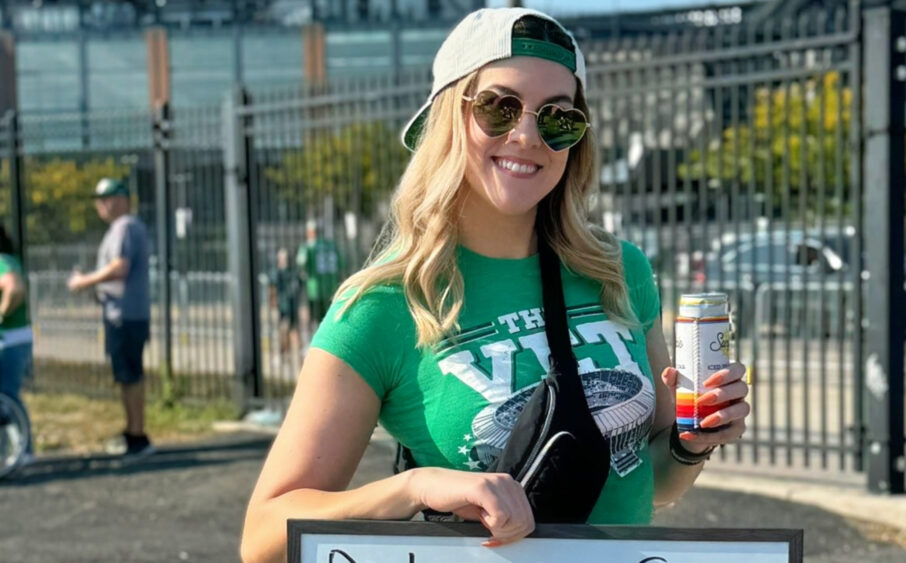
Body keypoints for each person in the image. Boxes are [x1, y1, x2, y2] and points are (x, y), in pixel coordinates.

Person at [241, 8, 750, 563]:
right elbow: (264, 537)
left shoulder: (618, 270)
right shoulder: (381, 306)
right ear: (448, 117)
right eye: (499, 107)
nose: (527, 135)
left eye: (559, 117)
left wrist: (688, 443)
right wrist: (413, 488)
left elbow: (646, 487)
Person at [67, 178, 154, 458]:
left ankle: (137, 435)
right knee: (128, 375)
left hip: (125, 315)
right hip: (125, 313)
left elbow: (119, 268)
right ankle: (133, 431)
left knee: (130, 375)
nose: (100, 204)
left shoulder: (125, 227)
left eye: (106, 198)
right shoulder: (123, 228)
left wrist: (85, 281)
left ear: (122, 199)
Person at [0, 223, 34, 468]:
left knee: (7, 398)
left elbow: (14, 288)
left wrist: (0, 314)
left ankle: (22, 451)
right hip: (13, 339)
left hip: (10, 340)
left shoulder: (2, 261)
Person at [295, 219, 344, 336]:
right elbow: (341, 266)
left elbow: (300, 263)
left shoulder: (309, 246)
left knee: (315, 319)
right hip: (331, 286)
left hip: (315, 289)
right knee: (329, 317)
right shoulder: (331, 245)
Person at [268, 247, 301, 369]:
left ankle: (291, 356)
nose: (284, 260)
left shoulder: (293, 273)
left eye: (285, 258)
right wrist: (273, 302)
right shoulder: (276, 273)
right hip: (283, 307)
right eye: (282, 258)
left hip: (293, 306)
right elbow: (272, 289)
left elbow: (299, 287)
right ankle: (282, 355)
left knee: (293, 331)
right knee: (283, 330)